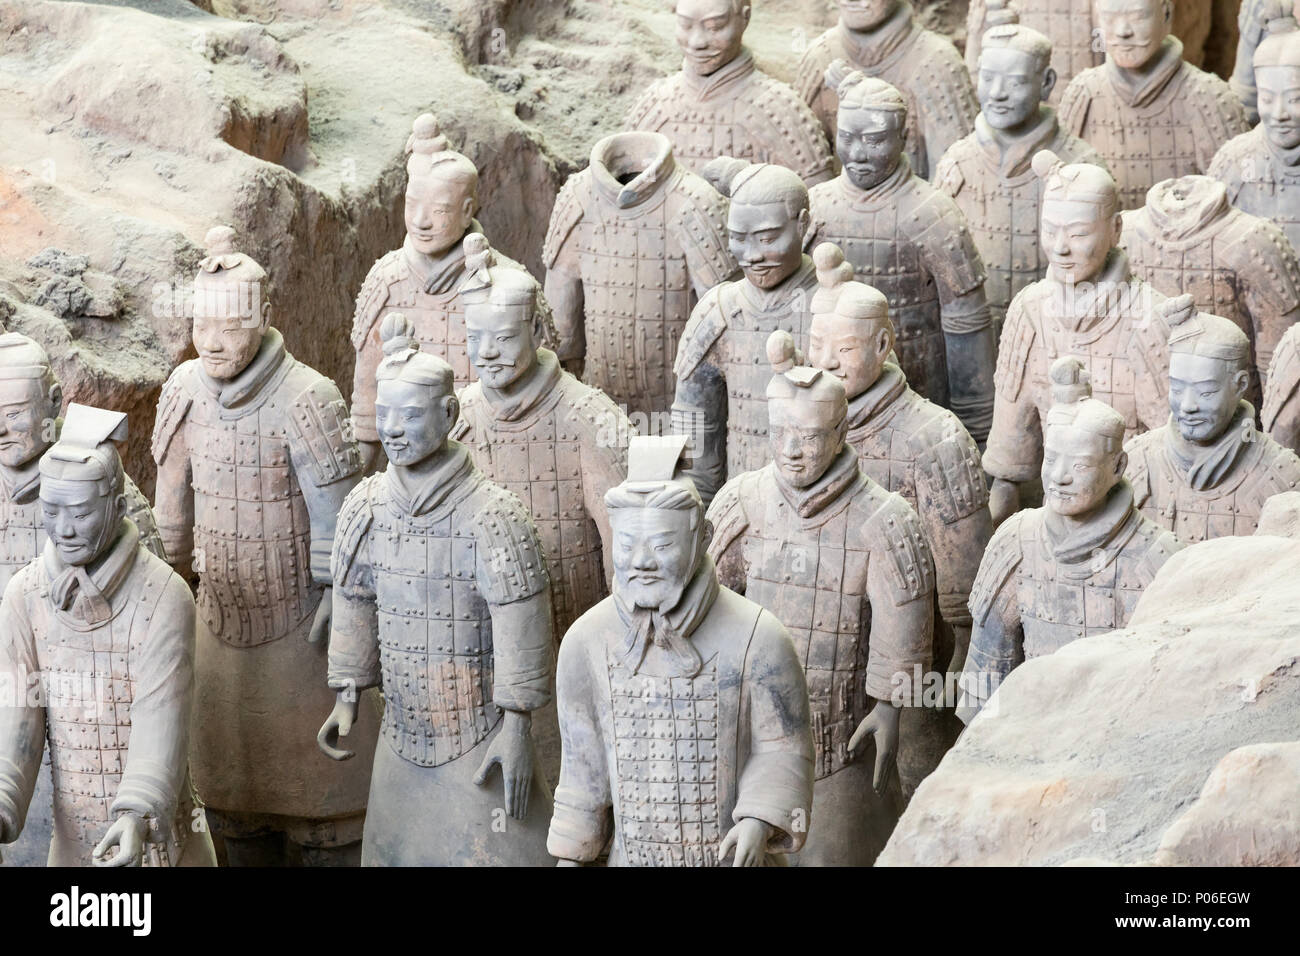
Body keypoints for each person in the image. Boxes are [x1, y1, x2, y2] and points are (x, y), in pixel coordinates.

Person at [319, 314, 555, 865]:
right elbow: (354, 599)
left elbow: (523, 621)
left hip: (480, 736)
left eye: (410, 415)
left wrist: (518, 730)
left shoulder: (493, 516)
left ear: (449, 415)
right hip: (402, 735)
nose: (393, 430)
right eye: (383, 416)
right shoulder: (365, 506)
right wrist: (347, 693)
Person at [548, 434, 814, 866]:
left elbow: (783, 747)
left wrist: (758, 820)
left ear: (702, 537)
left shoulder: (758, 637)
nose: (642, 561)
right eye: (628, 543)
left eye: (662, 544)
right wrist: (571, 856)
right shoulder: (586, 641)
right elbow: (582, 769)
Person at [0, 405, 215, 866]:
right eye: (51, 510)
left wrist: (137, 811)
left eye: (79, 513)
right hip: (73, 844)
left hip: (162, 841)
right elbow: (17, 715)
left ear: (118, 508)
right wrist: (2, 800)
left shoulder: (164, 595)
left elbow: (161, 714)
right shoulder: (24, 595)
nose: (63, 529)